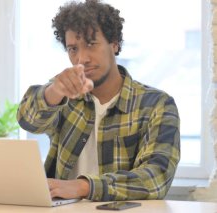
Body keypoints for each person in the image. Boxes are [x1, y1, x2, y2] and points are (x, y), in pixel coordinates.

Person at [17, 0, 180, 201]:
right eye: (73, 49)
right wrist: (53, 92)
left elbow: (156, 178)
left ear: (114, 44)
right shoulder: (64, 93)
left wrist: (84, 187)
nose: (81, 59)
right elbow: (27, 120)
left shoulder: (157, 104)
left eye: (91, 44)